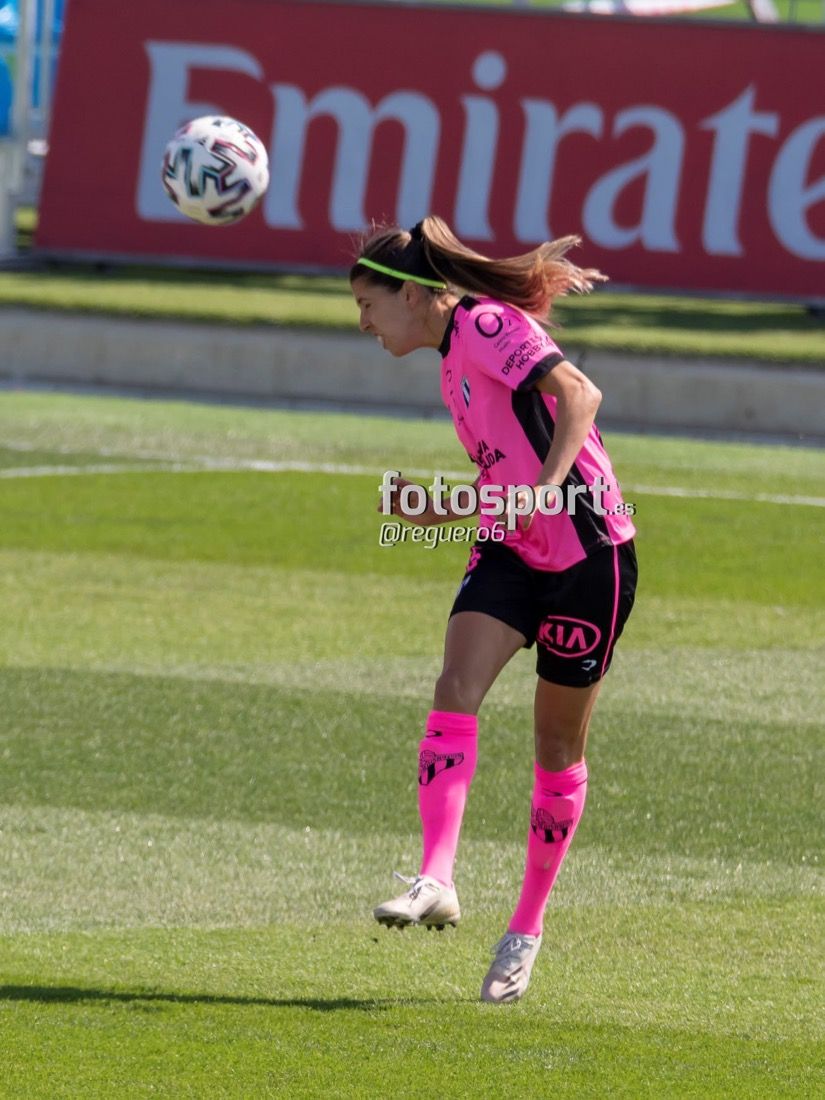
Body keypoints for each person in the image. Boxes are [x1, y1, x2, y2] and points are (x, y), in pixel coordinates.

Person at [349, 216, 637, 1004]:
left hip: (588, 556)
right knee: (454, 688)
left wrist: (547, 490)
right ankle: (435, 878)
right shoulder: (451, 365)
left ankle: (524, 931)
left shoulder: (482, 325)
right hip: (513, 549)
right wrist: (440, 507)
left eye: (368, 305)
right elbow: (501, 475)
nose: (364, 323)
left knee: (555, 749)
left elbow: (580, 394)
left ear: (411, 296)